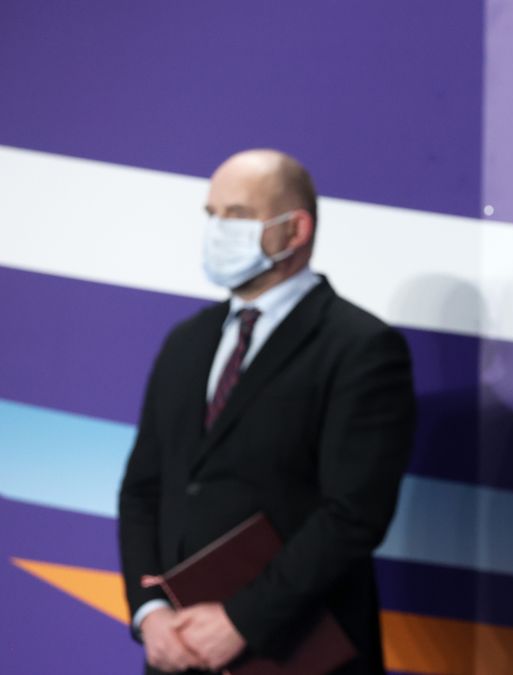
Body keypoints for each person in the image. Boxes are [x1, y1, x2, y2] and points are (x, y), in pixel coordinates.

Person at [118, 149, 415, 674]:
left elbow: (352, 514)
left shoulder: (360, 347)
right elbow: (144, 488)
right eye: (211, 215)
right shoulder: (188, 342)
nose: (216, 229)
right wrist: (151, 610)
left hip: (294, 652)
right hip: (178, 654)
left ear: (295, 229)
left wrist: (241, 621)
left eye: (236, 215)